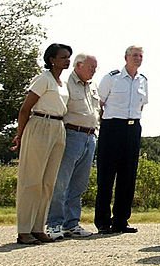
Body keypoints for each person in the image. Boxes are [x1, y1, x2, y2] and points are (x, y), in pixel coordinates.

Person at [12, 43, 72, 245]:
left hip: (58, 127)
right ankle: (24, 230)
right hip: (39, 124)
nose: (67, 60)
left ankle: (38, 227)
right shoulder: (43, 79)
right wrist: (20, 135)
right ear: (52, 59)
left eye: (68, 57)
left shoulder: (61, 84)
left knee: (48, 182)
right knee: (32, 180)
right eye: (63, 57)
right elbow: (24, 109)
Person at [94, 45, 149, 234]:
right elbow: (99, 103)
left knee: (128, 176)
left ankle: (121, 220)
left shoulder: (143, 81)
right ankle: (102, 221)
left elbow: (142, 106)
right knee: (106, 176)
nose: (137, 59)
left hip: (133, 129)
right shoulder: (112, 77)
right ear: (125, 57)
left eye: (140, 56)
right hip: (112, 128)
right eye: (134, 55)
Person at [45, 53, 99, 239]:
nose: (94, 70)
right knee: (61, 182)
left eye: (95, 67)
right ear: (79, 65)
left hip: (90, 136)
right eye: (91, 67)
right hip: (71, 134)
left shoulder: (92, 86)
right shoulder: (66, 84)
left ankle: (72, 224)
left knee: (79, 184)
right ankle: (54, 224)